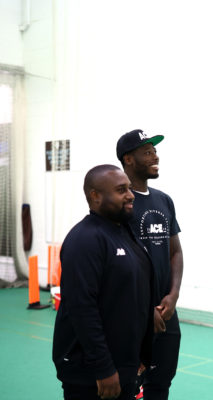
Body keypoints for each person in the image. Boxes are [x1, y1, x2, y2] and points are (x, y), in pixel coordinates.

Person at [52, 164, 155, 399]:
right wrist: (103, 369)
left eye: (129, 188)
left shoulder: (126, 233)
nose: (130, 195)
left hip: (124, 364)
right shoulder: (85, 240)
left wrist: (140, 354)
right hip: (93, 374)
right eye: (121, 190)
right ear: (95, 196)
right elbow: (82, 309)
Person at [116, 129, 183, 399]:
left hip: (166, 312)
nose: (155, 156)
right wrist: (144, 309)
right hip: (131, 313)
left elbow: (175, 252)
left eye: (155, 151)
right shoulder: (119, 203)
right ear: (128, 159)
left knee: (161, 383)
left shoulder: (164, 200)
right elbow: (117, 266)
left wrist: (174, 295)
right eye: (147, 152)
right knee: (128, 385)